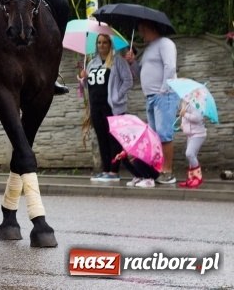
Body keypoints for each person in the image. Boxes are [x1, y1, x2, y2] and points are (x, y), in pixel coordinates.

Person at [124, 20, 179, 185]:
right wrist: (133, 63)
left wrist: (163, 89)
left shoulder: (165, 43)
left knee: (164, 135)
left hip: (163, 95)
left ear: (151, 28)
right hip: (151, 97)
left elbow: (170, 67)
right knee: (154, 137)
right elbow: (141, 73)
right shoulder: (149, 49)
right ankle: (157, 171)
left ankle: (168, 172)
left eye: (142, 29)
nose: (141, 33)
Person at [80, 34, 133, 182]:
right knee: (101, 138)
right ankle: (106, 169)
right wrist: (83, 78)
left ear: (110, 44)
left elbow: (128, 81)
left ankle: (114, 171)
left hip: (113, 107)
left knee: (113, 139)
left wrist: (117, 96)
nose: (101, 45)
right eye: (99, 43)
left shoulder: (118, 61)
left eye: (104, 42)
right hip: (96, 107)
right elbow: (87, 86)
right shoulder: (91, 63)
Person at [178, 98, 206, 188]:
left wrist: (185, 114)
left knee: (189, 154)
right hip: (191, 134)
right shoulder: (185, 102)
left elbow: (197, 118)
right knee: (192, 156)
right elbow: (186, 120)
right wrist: (183, 125)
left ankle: (198, 177)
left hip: (198, 134)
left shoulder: (196, 103)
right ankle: (191, 179)